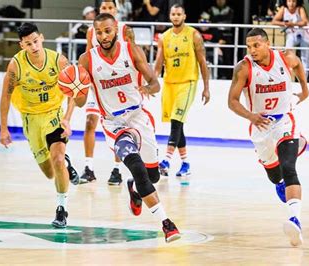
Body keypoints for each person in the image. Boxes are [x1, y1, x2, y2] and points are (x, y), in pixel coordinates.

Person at [75, 13, 181, 243]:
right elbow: (79, 102)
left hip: (138, 117)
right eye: (99, 32)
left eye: (108, 31)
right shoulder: (86, 60)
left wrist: (147, 88)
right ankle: (167, 223)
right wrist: (76, 90)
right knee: (136, 167)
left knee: (152, 175)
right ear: (94, 34)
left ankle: (134, 188)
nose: (103, 36)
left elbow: (155, 82)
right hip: (114, 124)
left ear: (116, 30)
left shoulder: (131, 50)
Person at [227, 28, 309, 246]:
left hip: (284, 120)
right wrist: (251, 116)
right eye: (249, 46)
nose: (252, 50)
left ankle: (296, 220)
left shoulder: (285, 57)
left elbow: (299, 64)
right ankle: (279, 182)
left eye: (256, 45)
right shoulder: (244, 68)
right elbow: (232, 101)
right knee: (274, 175)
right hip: (260, 127)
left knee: (289, 166)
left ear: (267, 44)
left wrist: (305, 89)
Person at [0, 23, 79, 228]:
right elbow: (5, 96)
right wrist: (4, 128)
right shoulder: (16, 65)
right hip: (31, 118)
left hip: (54, 114)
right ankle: (67, 165)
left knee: (58, 159)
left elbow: (74, 91)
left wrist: (68, 118)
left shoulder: (58, 61)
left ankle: (61, 209)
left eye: (35, 41)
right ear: (21, 45)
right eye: (28, 44)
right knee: (50, 172)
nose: (33, 46)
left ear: (41, 38)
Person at [81, 0, 137, 186]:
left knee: (119, 128)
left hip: (117, 86)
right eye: (104, 8)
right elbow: (88, 56)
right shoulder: (92, 31)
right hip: (98, 83)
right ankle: (88, 167)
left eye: (110, 8)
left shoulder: (125, 30)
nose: (107, 10)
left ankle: (117, 170)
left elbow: (134, 57)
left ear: (116, 10)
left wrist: (138, 84)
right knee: (90, 122)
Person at [154, 4, 210, 184]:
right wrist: (151, 83)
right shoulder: (164, 37)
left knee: (176, 123)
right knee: (177, 123)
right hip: (170, 84)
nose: (176, 17)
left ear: (184, 16)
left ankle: (166, 161)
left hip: (188, 83)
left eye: (179, 14)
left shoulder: (193, 35)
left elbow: (202, 61)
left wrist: (206, 87)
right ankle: (185, 163)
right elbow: (158, 63)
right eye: (173, 14)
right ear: (170, 16)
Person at [272, 0, 309, 77]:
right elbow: (274, 21)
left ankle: (305, 78)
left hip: (304, 34)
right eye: (289, 1)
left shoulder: (300, 8)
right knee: (287, 51)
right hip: (293, 34)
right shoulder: (283, 8)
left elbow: (304, 22)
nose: (291, 3)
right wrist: (285, 24)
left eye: (294, 1)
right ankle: (286, 75)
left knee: (305, 57)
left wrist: (293, 24)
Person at [203, 0, 234, 79]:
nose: (220, 1)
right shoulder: (211, 9)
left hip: (227, 35)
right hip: (215, 34)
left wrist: (216, 19)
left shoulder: (230, 10)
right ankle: (219, 75)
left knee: (227, 57)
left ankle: (227, 76)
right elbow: (206, 20)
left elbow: (229, 20)